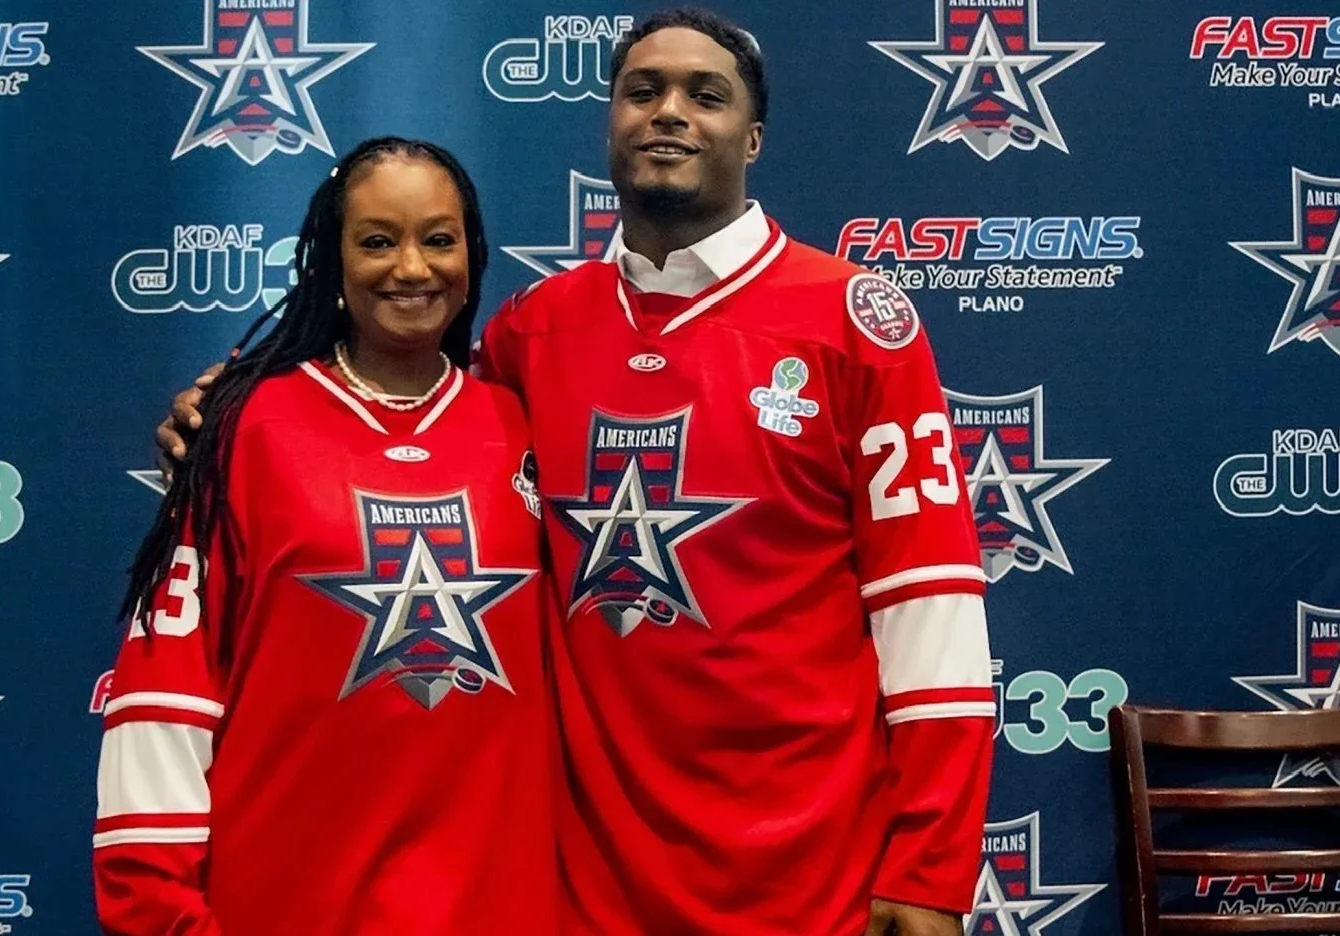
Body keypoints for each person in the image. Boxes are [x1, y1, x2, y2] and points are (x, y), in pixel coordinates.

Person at [160, 11, 994, 935]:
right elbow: (390, 419)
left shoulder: (852, 323)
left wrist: (929, 868)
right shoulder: (532, 332)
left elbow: (932, 613)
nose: (668, 112)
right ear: (609, 125)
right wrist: (228, 410)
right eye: (642, 91)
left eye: (705, 95)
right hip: (585, 892)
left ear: (753, 138)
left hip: (812, 882)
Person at [97, 137, 559, 936]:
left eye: (438, 239)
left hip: (502, 907)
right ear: (330, 264)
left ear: (474, 255)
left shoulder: (525, 425)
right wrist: (160, 912)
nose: (411, 268)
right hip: (286, 905)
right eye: (377, 241)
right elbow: (166, 690)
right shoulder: (243, 429)